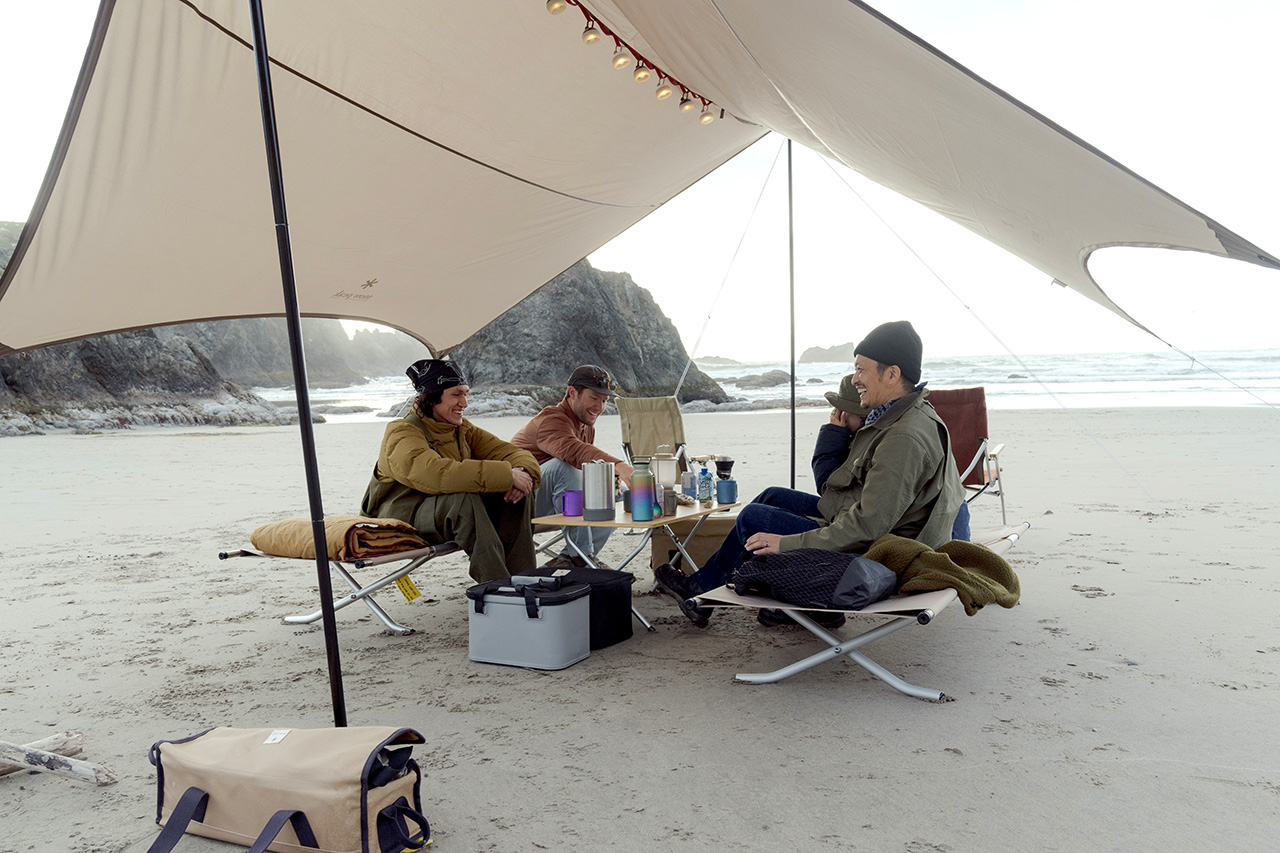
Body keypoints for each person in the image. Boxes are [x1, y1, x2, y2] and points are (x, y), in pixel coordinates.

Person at [655, 320, 964, 627]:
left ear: (892, 374)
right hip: (865, 524)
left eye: (861, 369)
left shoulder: (903, 438)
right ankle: (733, 593)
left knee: (752, 518)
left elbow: (869, 527)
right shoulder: (896, 418)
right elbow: (850, 489)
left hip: (877, 557)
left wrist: (788, 543)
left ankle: (706, 592)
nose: (855, 379)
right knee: (772, 496)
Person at [360, 359, 541, 583]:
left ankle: (523, 581)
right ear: (432, 396)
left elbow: (512, 452)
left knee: (517, 496)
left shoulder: (462, 430)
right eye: (456, 395)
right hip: (398, 516)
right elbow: (435, 474)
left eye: (465, 394)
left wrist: (522, 472)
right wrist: (506, 475)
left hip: (441, 513)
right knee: (463, 501)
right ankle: (498, 588)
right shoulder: (402, 432)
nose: (464, 403)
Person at [511, 364, 634, 568]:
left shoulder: (586, 425)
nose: (600, 407)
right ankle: (581, 555)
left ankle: (570, 558)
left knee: (615, 490)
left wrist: (613, 478)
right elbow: (574, 452)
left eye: (604, 401)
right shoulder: (552, 419)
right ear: (572, 393)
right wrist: (619, 465)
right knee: (563, 466)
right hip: (518, 502)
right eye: (594, 398)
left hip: (554, 499)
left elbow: (584, 465)